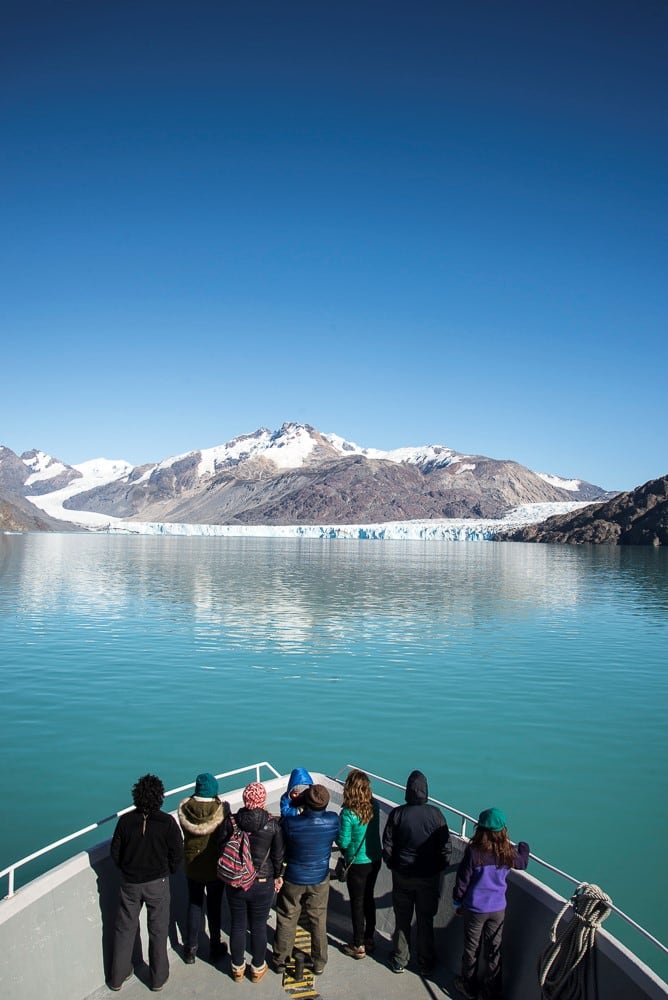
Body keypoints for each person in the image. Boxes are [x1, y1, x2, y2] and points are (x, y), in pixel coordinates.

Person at [109, 774, 183, 992]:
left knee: (124, 929)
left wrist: (127, 869)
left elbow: (116, 853)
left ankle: (117, 977)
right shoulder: (167, 823)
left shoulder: (125, 822)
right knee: (158, 930)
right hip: (157, 883)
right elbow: (177, 853)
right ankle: (158, 978)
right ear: (160, 797)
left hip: (130, 884)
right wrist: (167, 870)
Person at [452, 807, 530, 1000]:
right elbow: (522, 863)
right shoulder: (508, 852)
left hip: (474, 909)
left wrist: (457, 902)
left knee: (472, 949)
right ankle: (491, 992)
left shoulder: (474, 852)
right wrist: (524, 847)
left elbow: (463, 881)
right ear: (503, 830)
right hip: (497, 910)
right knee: (494, 951)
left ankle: (468, 986)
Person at [382, 769, 451, 976]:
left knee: (402, 918)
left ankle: (400, 959)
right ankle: (425, 962)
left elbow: (388, 845)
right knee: (425, 919)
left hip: (402, 875)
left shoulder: (398, 813)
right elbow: (445, 848)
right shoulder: (436, 815)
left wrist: (393, 864)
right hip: (428, 877)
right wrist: (439, 867)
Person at [273, 784, 339, 976]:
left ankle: (280, 960)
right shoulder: (333, 821)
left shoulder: (291, 824)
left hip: (294, 876)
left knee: (287, 917)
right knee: (318, 919)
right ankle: (319, 962)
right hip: (319, 877)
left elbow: (283, 843)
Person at [226, 782, 285, 983]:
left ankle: (237, 967)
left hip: (236, 882)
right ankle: (258, 967)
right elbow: (277, 856)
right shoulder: (272, 824)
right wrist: (278, 876)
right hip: (262, 882)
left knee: (237, 925)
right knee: (259, 926)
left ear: (244, 799)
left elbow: (221, 848)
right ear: (263, 800)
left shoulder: (231, 821)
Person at [177, 771, 229, 964]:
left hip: (192, 865)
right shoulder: (220, 810)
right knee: (214, 908)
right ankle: (215, 946)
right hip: (215, 867)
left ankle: (190, 949)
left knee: (194, 904)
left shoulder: (184, 809)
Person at [336, 769, 382, 959]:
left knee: (357, 902)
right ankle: (369, 937)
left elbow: (344, 842)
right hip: (374, 859)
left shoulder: (348, 813)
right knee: (369, 898)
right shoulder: (375, 806)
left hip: (357, 863)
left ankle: (358, 943)